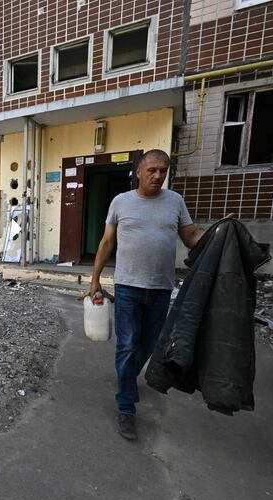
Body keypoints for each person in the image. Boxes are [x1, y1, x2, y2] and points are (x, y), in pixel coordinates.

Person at [88, 149, 226, 441]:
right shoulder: (120, 202)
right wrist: (95, 280)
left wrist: (217, 232)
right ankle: (126, 406)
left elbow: (190, 237)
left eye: (163, 170)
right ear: (138, 172)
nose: (158, 176)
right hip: (127, 287)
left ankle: (127, 378)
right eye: (152, 170)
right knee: (127, 346)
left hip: (161, 288)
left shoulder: (174, 201)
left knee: (149, 346)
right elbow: (106, 242)